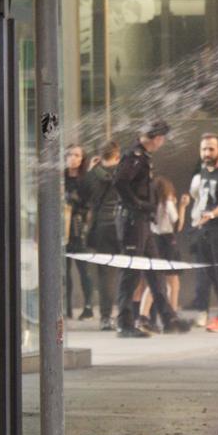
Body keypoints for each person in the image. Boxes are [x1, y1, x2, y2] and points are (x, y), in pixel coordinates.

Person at [114, 122, 182, 337]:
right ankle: (124, 324)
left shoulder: (142, 157)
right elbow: (120, 182)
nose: (161, 143)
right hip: (133, 221)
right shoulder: (134, 156)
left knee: (155, 269)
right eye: (160, 138)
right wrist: (138, 204)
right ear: (154, 138)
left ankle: (168, 317)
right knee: (131, 273)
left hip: (142, 221)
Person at [185, 133, 218, 332]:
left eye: (211, 149)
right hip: (206, 230)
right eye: (204, 149)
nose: (207, 153)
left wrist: (211, 215)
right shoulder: (204, 172)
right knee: (211, 273)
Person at [64, 143, 108, 323]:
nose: (72, 158)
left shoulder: (85, 179)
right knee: (63, 272)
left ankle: (88, 307)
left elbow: (90, 202)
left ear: (82, 159)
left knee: (84, 270)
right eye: (69, 154)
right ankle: (66, 308)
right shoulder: (60, 178)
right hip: (62, 229)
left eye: (76, 155)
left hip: (78, 229)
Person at [139, 177, 189, 332]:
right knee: (172, 282)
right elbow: (177, 224)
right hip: (167, 242)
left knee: (155, 282)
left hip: (153, 240)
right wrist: (182, 206)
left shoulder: (150, 204)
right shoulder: (167, 202)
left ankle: (143, 315)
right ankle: (171, 315)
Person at [83, 142, 122, 331]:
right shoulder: (124, 172)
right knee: (129, 271)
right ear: (117, 156)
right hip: (123, 227)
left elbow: (82, 198)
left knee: (105, 275)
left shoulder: (91, 176)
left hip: (101, 228)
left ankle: (106, 317)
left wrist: (92, 169)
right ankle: (127, 314)